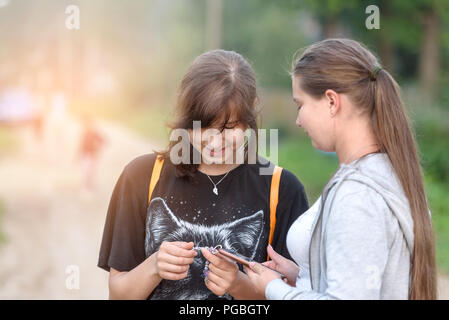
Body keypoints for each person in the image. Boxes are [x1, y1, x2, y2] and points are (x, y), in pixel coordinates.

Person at [97, 49, 309, 300]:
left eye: (229, 127)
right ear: (186, 117)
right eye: (203, 126)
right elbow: (118, 295)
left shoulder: (282, 189)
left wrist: (238, 284)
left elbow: (298, 295)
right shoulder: (141, 177)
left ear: (251, 111)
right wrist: (154, 267)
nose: (215, 141)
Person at [245, 38, 437, 300]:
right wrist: (302, 275)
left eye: (300, 105)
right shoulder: (388, 174)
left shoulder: (358, 195)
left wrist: (271, 288)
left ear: (332, 102)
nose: (298, 120)